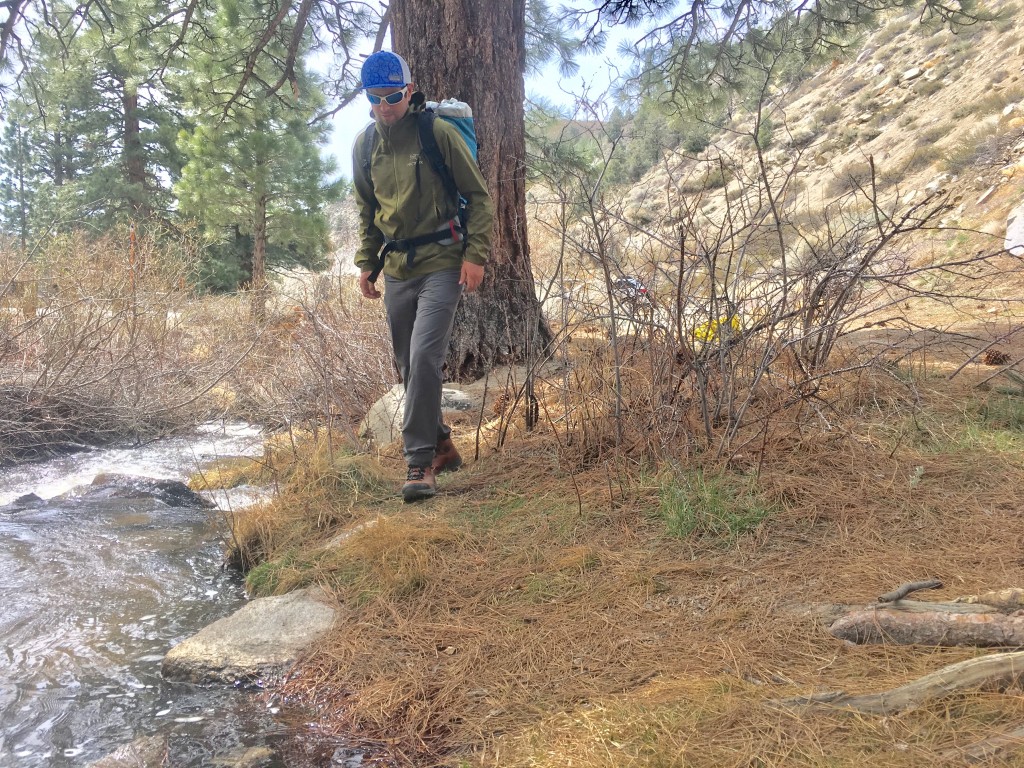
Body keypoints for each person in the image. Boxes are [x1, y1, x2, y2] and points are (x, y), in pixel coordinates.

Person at [352, 51, 493, 503]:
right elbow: (367, 210)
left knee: (425, 357)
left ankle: (419, 462)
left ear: (409, 91)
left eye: (392, 96)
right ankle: (445, 447)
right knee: (409, 365)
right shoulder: (364, 146)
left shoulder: (438, 132)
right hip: (396, 268)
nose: (385, 106)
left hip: (444, 261)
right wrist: (366, 261)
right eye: (375, 98)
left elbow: (479, 196)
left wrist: (476, 255)